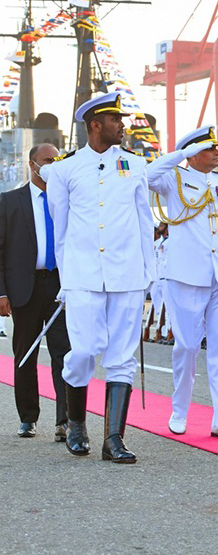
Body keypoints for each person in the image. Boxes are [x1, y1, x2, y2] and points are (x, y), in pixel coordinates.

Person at [40, 92, 155, 463]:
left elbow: (144, 223)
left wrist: (147, 274)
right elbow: (62, 226)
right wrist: (66, 278)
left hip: (127, 275)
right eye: (115, 120)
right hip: (84, 276)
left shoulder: (135, 166)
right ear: (94, 125)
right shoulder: (64, 169)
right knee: (84, 352)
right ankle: (76, 423)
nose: (122, 125)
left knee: (121, 357)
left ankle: (114, 439)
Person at [147, 125, 218, 439]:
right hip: (187, 276)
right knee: (187, 346)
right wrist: (180, 156)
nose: (217, 153)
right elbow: (145, 176)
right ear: (192, 153)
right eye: (209, 148)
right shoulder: (173, 179)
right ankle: (179, 411)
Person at [0, 143, 69, 440]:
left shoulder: (67, 199)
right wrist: (2, 293)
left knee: (64, 354)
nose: (52, 165)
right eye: (47, 160)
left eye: (57, 160)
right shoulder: (8, 201)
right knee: (25, 354)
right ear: (32, 164)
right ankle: (28, 417)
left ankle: (65, 420)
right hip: (24, 287)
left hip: (60, 286)